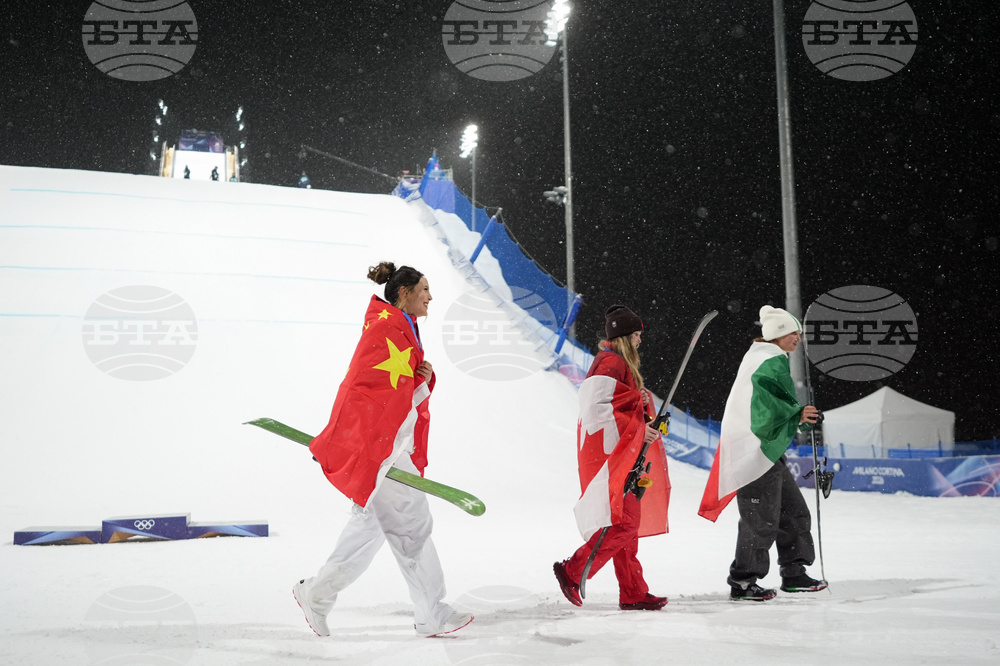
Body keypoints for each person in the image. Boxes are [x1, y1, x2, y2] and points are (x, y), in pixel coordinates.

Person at [292, 261, 473, 637]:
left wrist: (420, 379)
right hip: (381, 448)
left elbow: (395, 392)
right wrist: (351, 442)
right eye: (424, 289)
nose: (430, 296)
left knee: (368, 531)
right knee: (412, 527)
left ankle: (317, 594)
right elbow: (363, 390)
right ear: (404, 294)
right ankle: (431, 612)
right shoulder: (387, 327)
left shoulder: (401, 328)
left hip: (388, 446)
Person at [698, 305, 827, 601]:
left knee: (792, 512)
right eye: (794, 332)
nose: (799, 337)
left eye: (800, 332)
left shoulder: (766, 358)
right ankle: (743, 582)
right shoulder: (767, 362)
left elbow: (771, 407)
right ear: (779, 334)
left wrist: (798, 415)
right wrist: (798, 415)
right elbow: (763, 411)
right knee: (760, 519)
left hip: (765, 451)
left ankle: (794, 574)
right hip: (751, 452)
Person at [553, 305, 671, 611]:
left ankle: (632, 591)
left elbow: (617, 405)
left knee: (622, 525)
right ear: (622, 338)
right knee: (625, 525)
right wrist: (637, 429)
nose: (639, 342)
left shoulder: (615, 364)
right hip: (612, 457)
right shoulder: (610, 362)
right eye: (635, 336)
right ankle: (573, 570)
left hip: (622, 455)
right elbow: (598, 410)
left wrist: (642, 415)